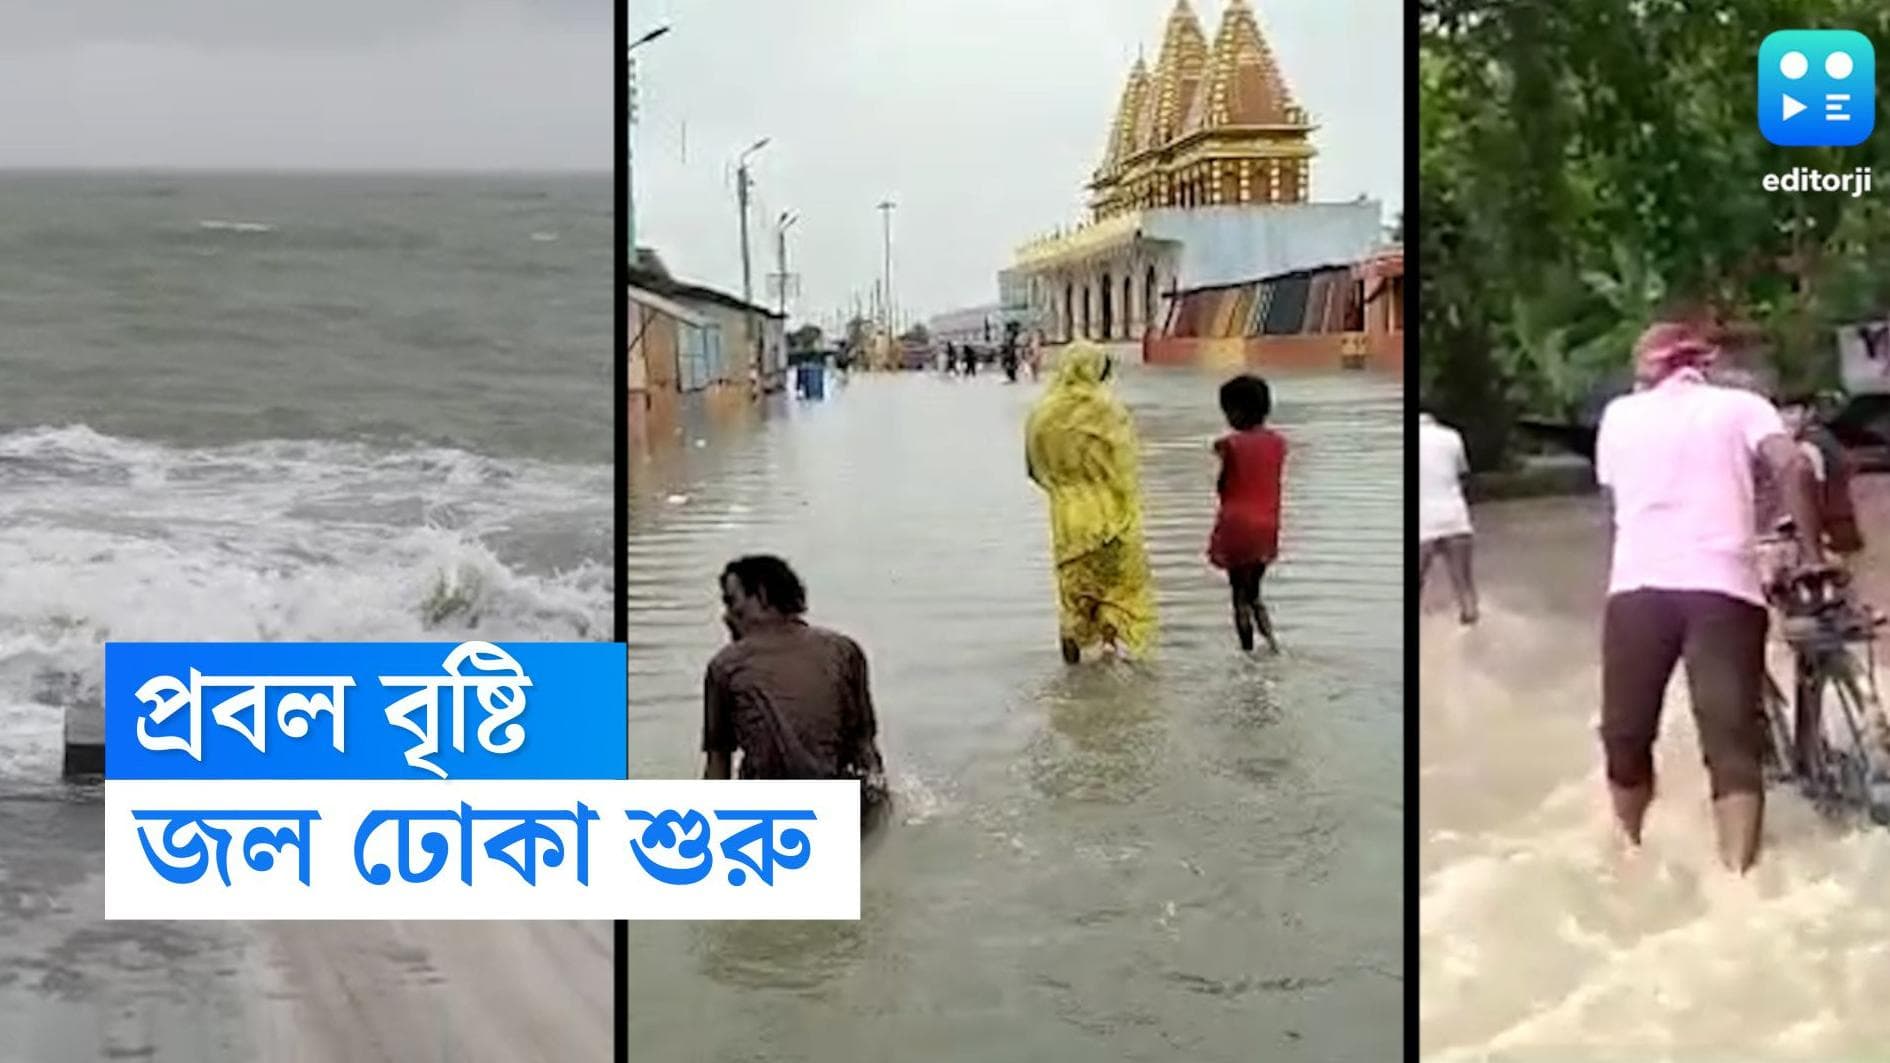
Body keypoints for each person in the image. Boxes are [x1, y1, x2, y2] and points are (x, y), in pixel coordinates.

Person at [1593, 319, 1822, 874]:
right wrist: (1813, 553)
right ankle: (1738, 880)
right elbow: (1790, 463)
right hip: (1722, 588)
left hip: (1637, 589)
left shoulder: (1619, 415)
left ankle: (1630, 853)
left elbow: (1613, 502)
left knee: (1625, 732)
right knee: (1729, 737)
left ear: (1647, 368)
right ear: (1703, 365)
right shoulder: (1742, 405)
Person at [701, 555, 889, 815]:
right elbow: (865, 748)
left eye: (732, 602)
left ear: (762, 597)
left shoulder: (726, 666)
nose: (727, 616)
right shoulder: (843, 650)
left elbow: (718, 762)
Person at [1024, 342, 1157, 663]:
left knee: (1073, 599)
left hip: (1069, 519)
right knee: (1115, 594)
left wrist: (1065, 488)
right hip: (1113, 513)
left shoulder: (1042, 414)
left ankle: (1072, 671)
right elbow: (1126, 465)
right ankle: (1111, 656)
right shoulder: (1110, 411)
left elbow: (1033, 469)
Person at [1208, 374, 1287, 653]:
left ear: (1235, 412)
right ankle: (1273, 645)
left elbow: (1224, 487)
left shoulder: (1230, 445)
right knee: (1255, 594)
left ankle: (1248, 652)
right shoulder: (1279, 442)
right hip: (1267, 526)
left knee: (1238, 596)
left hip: (1237, 526)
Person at [1417, 405, 1479, 625]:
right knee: (1465, 589)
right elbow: (1463, 475)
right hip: (1455, 517)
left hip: (1422, 522)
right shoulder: (1452, 437)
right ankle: (1473, 638)